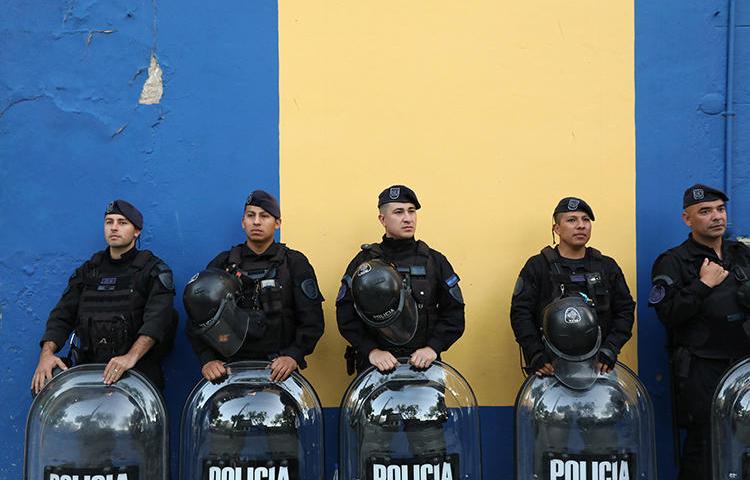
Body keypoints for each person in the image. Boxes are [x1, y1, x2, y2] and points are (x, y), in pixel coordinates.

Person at [650, 184, 750, 480]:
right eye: (705, 212)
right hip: (702, 368)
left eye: (720, 209)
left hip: (743, 366)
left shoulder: (740, 254)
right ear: (687, 219)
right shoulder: (674, 261)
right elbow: (667, 313)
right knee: (704, 448)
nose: (716, 217)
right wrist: (703, 285)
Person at [31, 199, 177, 393]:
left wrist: (130, 357)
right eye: (109, 222)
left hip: (136, 373)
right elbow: (62, 315)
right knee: (47, 380)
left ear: (137, 231)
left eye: (122, 222)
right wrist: (46, 354)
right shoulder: (88, 271)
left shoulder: (152, 270)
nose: (114, 228)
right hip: (89, 373)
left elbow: (157, 321)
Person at [186, 190, 324, 383]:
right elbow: (197, 319)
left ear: (277, 223)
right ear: (243, 222)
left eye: (264, 216)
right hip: (230, 373)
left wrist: (293, 355)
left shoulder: (294, 263)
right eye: (251, 215)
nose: (256, 222)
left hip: (280, 372)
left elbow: (312, 320)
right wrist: (208, 360)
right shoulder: (222, 264)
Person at [336, 184, 465, 375]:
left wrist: (433, 348)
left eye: (411, 211)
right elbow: (346, 314)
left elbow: (454, 313)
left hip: (425, 367)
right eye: (398, 212)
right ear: (383, 219)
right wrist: (371, 351)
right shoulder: (364, 262)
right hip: (376, 370)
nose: (407, 218)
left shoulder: (434, 261)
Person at [510, 196, 635, 377]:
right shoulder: (538, 266)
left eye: (586, 220)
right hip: (550, 369)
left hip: (598, 370)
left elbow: (625, 310)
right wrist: (536, 354)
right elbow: (520, 313)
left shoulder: (606, 267)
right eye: (572, 220)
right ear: (557, 229)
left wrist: (610, 349)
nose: (581, 225)